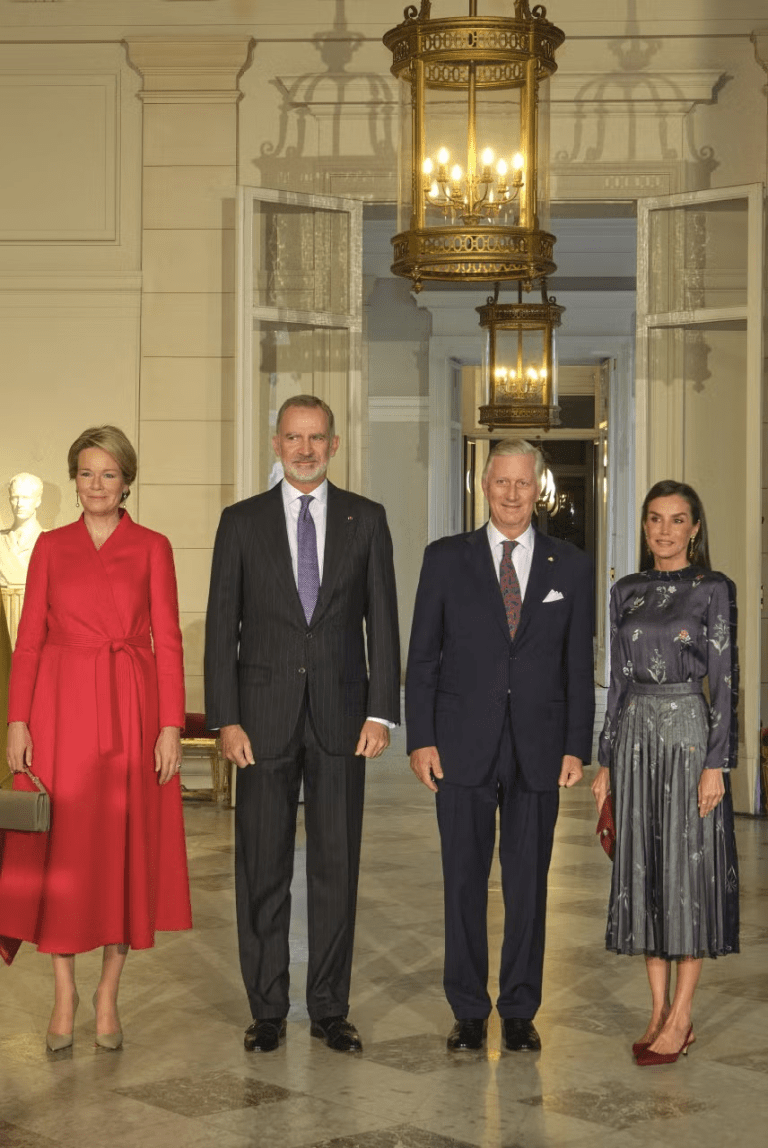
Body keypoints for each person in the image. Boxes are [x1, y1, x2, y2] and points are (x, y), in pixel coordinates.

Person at [205, 394, 400, 1054]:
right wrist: (226, 719)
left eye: (317, 438)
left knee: (335, 869)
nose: (305, 449)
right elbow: (221, 629)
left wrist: (380, 710)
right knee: (261, 867)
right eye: (294, 437)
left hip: (343, 719)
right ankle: (266, 1008)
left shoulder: (366, 519)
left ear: (334, 445)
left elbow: (383, 622)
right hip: (260, 722)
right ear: (276, 443)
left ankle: (329, 1008)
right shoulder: (241, 522)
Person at [0, 426, 192, 1051]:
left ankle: (108, 995)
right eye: (86, 473)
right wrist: (17, 721)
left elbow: (169, 640)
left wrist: (169, 726)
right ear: (75, 480)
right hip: (59, 712)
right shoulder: (51, 547)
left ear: (127, 481)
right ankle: (65, 994)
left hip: (131, 712)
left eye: (109, 474)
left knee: (120, 853)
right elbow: (29, 642)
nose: (96, 485)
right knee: (62, 854)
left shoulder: (153, 546)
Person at [406, 438, 594, 1052]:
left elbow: (577, 663)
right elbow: (423, 657)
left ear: (538, 489)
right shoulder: (444, 559)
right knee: (462, 881)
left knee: (528, 886)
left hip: (540, 747)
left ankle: (518, 1010)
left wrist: (576, 744)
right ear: (484, 487)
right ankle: (467, 1010)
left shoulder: (571, 565)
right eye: (501, 482)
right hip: (460, 743)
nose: (512, 494)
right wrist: (421, 739)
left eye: (523, 483)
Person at [591, 480, 739, 1066]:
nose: (665, 531)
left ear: (695, 528)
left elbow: (723, 681)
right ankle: (657, 1012)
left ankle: (682, 1016)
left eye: (678, 520)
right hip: (635, 738)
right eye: (655, 519)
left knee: (688, 871)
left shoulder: (713, 589)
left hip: (688, 735)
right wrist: (606, 760)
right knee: (647, 868)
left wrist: (716, 763)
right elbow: (618, 681)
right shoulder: (625, 590)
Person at [0, 473, 45, 586]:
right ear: (10, 500)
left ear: (38, 501)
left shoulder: (53, 541)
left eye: (25, 497)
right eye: (15, 497)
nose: (19, 504)